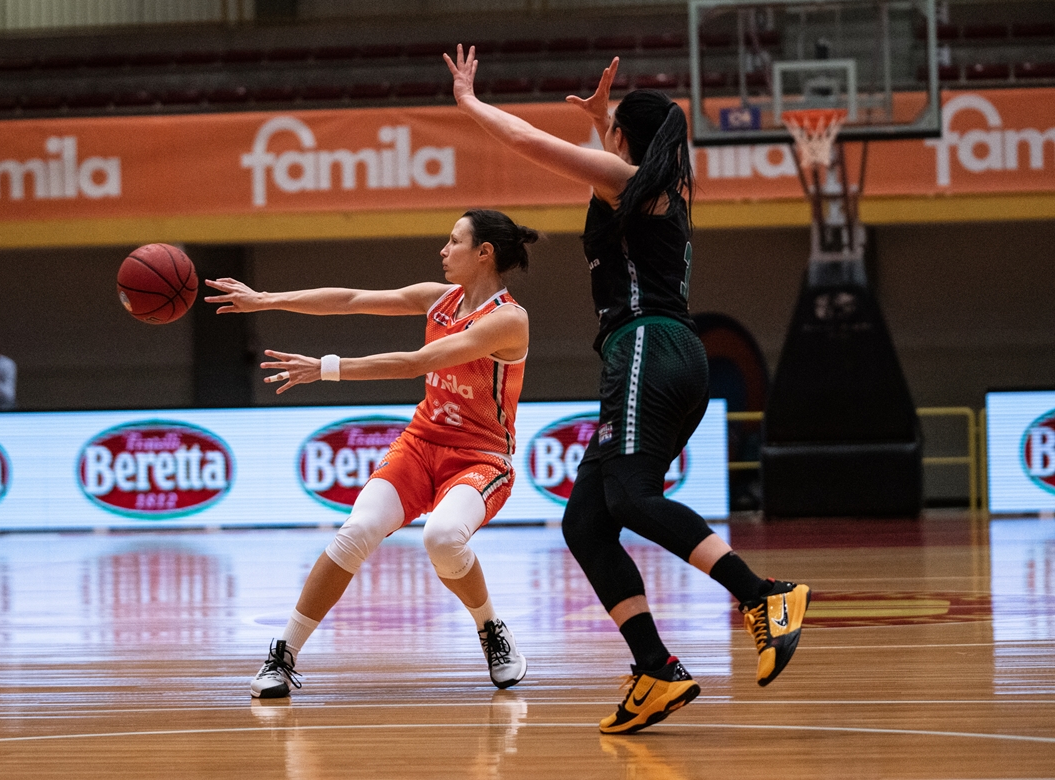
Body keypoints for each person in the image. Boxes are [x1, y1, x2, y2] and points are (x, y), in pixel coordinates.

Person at [445, 46, 811, 734]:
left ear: (624, 142)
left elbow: (530, 142)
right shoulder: (641, 186)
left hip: (650, 345)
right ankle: (655, 668)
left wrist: (470, 106)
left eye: (613, 132)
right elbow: (606, 169)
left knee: (634, 499)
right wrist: (602, 122)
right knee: (586, 521)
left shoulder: (631, 180)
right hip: (647, 356)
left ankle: (764, 596)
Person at [203, 209, 538, 698]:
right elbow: (352, 299)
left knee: (443, 538)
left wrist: (327, 368)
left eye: (454, 241)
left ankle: (492, 630)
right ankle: (283, 654)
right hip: (421, 446)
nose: (443, 251)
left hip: (481, 458)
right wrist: (267, 299)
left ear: (484, 253)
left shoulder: (507, 321)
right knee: (356, 530)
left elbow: (418, 362)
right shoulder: (439, 300)